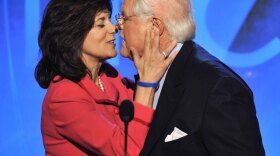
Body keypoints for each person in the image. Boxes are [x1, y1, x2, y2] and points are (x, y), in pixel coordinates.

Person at [117, 0, 265, 155]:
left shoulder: (218, 87)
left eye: (125, 19)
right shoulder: (144, 82)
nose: (118, 26)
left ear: (155, 27)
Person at [35, 0, 177, 155]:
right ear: (72, 34)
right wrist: (147, 83)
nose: (114, 28)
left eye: (110, 19)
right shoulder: (64, 97)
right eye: (101, 24)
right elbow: (125, 151)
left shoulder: (111, 77)